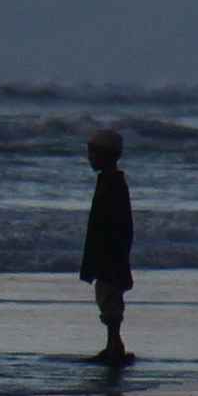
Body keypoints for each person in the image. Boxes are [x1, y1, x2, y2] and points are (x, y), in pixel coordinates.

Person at [78, 125, 135, 366]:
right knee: (108, 298)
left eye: (93, 154)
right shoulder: (110, 181)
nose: (90, 158)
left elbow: (113, 225)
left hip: (110, 253)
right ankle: (114, 345)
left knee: (109, 300)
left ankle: (115, 346)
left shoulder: (111, 184)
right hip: (111, 252)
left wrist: (105, 254)